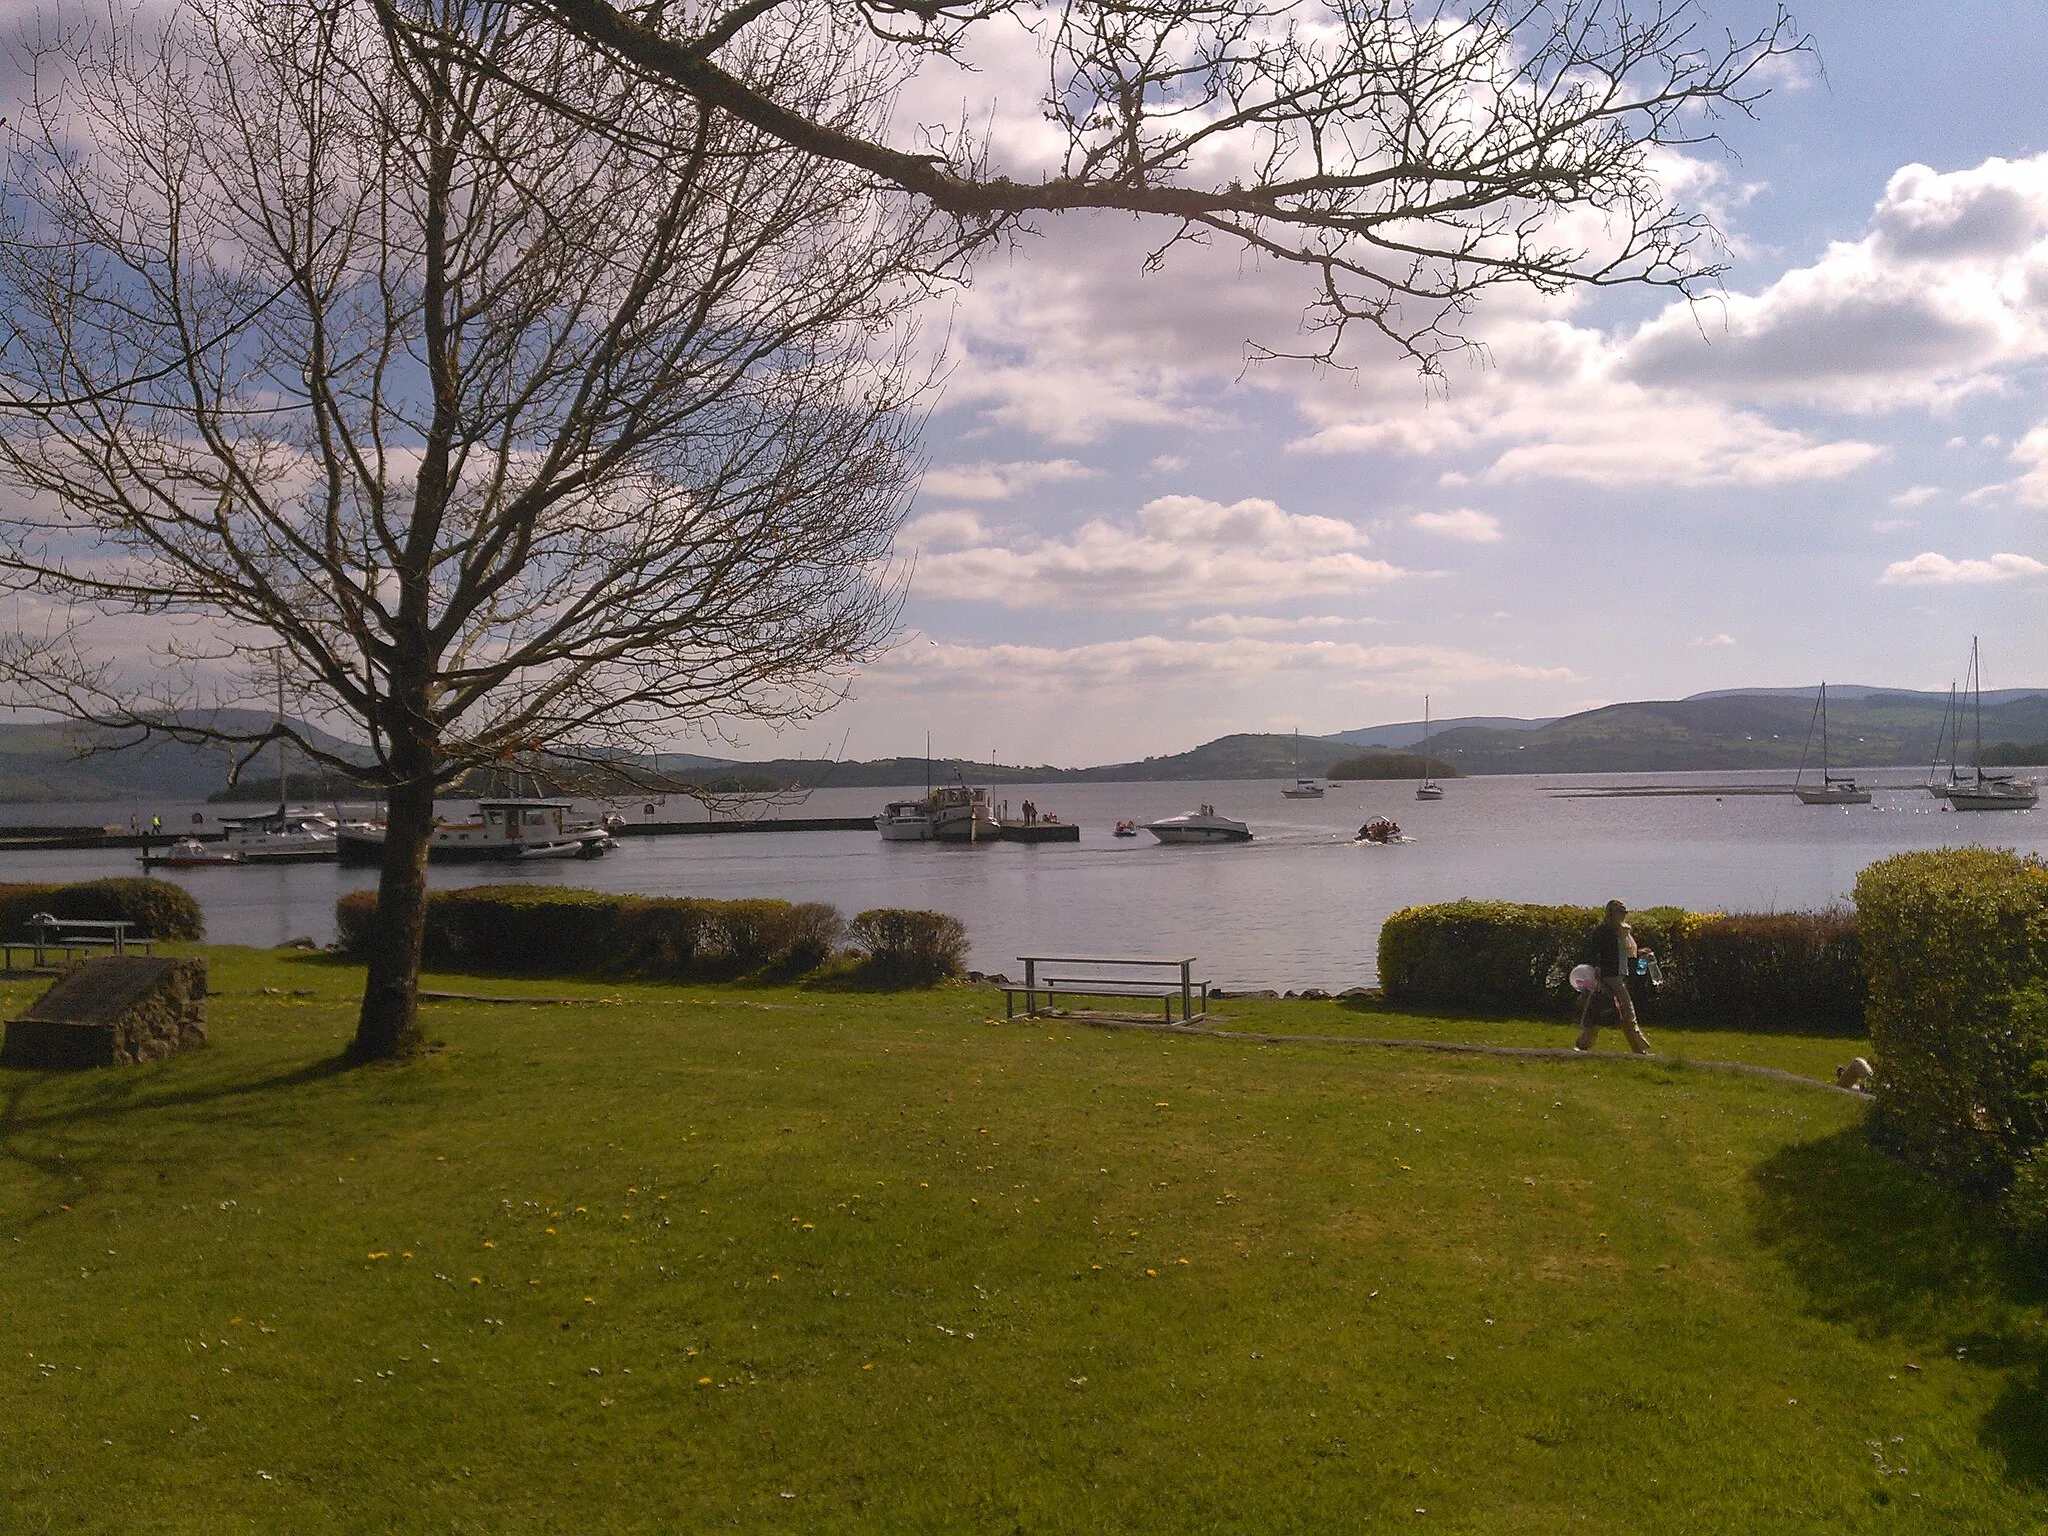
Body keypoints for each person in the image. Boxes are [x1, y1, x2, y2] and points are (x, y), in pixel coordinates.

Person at [1577, 898, 1652, 1055]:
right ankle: (1639, 1048)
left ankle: (1583, 1045)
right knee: (1628, 1012)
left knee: (1599, 1011)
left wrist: (1639, 954)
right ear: (1612, 913)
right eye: (1621, 911)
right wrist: (1598, 971)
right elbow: (1596, 952)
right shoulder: (1605, 931)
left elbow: (1624, 955)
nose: (1624, 914)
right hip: (1609, 977)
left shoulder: (1623, 932)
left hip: (1617, 975)